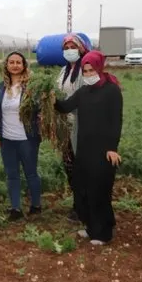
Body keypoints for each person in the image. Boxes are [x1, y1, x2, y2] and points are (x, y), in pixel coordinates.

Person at [54, 50, 123, 245]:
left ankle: (103, 232)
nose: (89, 74)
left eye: (92, 70)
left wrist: (112, 147)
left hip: (103, 150)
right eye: (85, 71)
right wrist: (49, 98)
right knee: (82, 188)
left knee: (99, 190)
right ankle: (91, 226)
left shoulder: (111, 90)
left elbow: (116, 121)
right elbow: (65, 107)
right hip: (84, 148)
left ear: (99, 68)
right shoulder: (83, 92)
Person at [0, 51, 42, 221]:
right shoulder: (1, 87)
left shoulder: (31, 86)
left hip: (27, 138)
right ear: (6, 65)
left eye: (18, 62)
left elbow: (40, 108)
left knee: (31, 173)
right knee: (11, 174)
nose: (15, 65)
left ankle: (36, 206)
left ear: (24, 66)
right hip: (7, 139)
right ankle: (16, 208)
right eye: (11, 62)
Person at [57, 33, 90, 222]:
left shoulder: (85, 71)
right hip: (65, 127)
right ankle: (78, 204)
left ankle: (83, 206)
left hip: (81, 126)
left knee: (81, 167)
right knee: (70, 167)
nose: (70, 51)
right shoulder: (64, 71)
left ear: (81, 48)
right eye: (66, 48)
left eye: (73, 47)